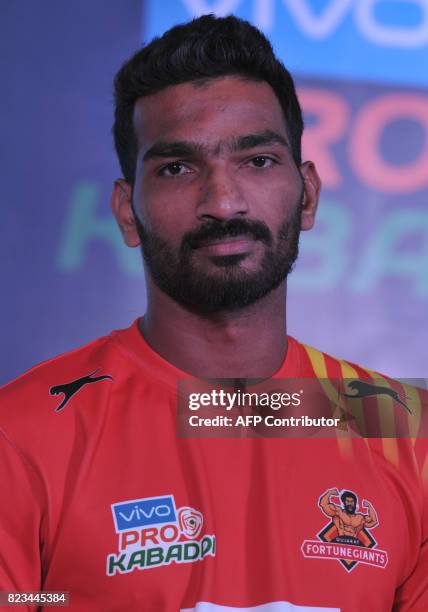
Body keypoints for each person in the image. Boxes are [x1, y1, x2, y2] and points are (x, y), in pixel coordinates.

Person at [0, 14, 427, 612]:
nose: (223, 201)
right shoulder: (19, 436)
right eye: (178, 168)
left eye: (257, 160)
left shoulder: (407, 433)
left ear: (307, 195)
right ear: (127, 212)